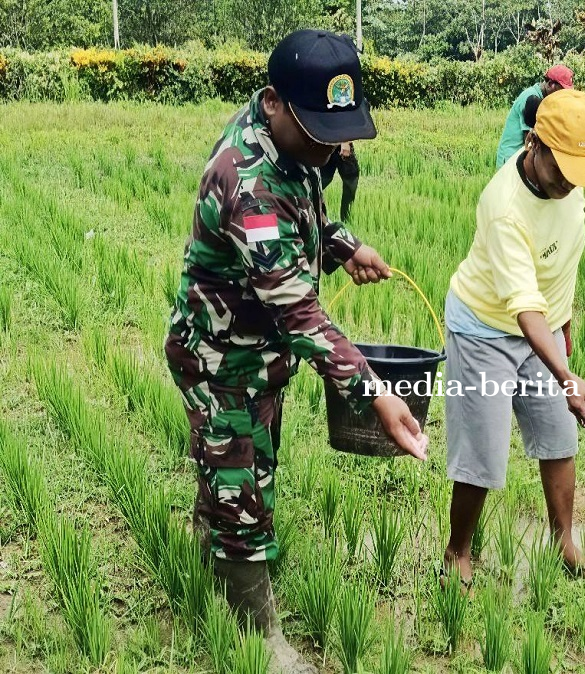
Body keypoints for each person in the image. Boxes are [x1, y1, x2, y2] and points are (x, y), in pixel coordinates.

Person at [164, 30, 428, 674]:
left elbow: (303, 207)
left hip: (262, 357)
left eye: (335, 132)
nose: (327, 146)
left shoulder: (290, 146)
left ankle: (219, 549)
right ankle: (258, 636)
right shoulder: (244, 181)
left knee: (253, 472)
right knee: (243, 493)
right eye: (316, 130)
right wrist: (376, 393)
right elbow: (300, 311)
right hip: (220, 362)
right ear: (275, 102)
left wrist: (343, 244)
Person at [442, 89, 585, 590]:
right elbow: (522, 306)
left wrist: (566, 327)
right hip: (484, 328)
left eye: (578, 173)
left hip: (542, 328)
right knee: (483, 451)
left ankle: (564, 542)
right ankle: (458, 551)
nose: (568, 184)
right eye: (561, 170)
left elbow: (563, 265)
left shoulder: (570, 179)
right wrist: (565, 374)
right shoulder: (503, 205)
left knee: (560, 436)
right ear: (534, 144)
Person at [495, 64, 574, 171]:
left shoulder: (546, 99)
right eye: (561, 91)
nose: (563, 96)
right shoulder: (530, 99)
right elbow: (530, 140)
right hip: (511, 159)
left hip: (522, 157)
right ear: (550, 84)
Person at [321, 141, 359, 222]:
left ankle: (346, 219)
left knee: (351, 179)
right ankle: (316, 216)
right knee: (322, 180)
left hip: (338, 142)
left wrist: (345, 141)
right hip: (325, 141)